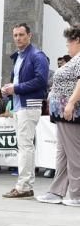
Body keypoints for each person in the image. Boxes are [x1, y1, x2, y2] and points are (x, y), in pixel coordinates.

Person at [1, 23, 49, 199]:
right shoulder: (19, 57)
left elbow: (41, 81)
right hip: (20, 105)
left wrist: (16, 88)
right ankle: (26, 185)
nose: (18, 38)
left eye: (21, 34)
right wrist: (10, 89)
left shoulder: (37, 55)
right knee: (25, 147)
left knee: (25, 147)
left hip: (29, 105)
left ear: (30, 35)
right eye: (15, 35)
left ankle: (23, 186)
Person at [37, 27, 80, 207]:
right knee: (62, 154)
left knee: (74, 154)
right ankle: (56, 191)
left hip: (69, 111)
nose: (67, 46)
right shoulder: (75, 60)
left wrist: (70, 103)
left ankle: (77, 194)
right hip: (61, 112)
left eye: (68, 42)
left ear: (77, 40)